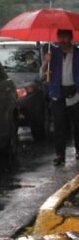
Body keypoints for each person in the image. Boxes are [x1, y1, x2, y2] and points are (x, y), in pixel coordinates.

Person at [41, 29, 79, 165]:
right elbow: (43, 72)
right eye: (60, 38)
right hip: (57, 92)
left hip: (75, 92)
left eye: (66, 38)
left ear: (71, 38)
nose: (63, 41)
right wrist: (46, 62)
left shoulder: (77, 53)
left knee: (77, 124)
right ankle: (60, 154)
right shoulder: (53, 53)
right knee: (59, 125)